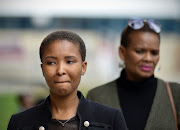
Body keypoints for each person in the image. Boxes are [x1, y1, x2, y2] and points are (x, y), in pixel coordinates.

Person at [8, 30, 127, 130]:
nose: (60, 70)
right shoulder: (19, 123)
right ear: (43, 69)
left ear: (83, 67)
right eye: (51, 62)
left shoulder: (111, 119)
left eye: (69, 61)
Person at [87, 18, 180, 130]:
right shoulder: (97, 96)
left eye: (154, 53)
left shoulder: (175, 94)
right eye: (140, 51)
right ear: (122, 52)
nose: (148, 58)